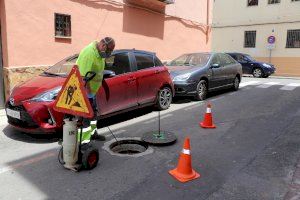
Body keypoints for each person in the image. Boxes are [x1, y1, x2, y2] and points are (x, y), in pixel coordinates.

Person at [76, 37, 115, 142]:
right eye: (108, 51)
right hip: (84, 91)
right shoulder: (89, 54)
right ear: (103, 45)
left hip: (92, 92)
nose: (108, 54)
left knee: (93, 114)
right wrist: (88, 94)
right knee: (86, 117)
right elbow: (84, 76)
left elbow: (97, 72)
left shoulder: (99, 53)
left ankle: (93, 134)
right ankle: (84, 142)